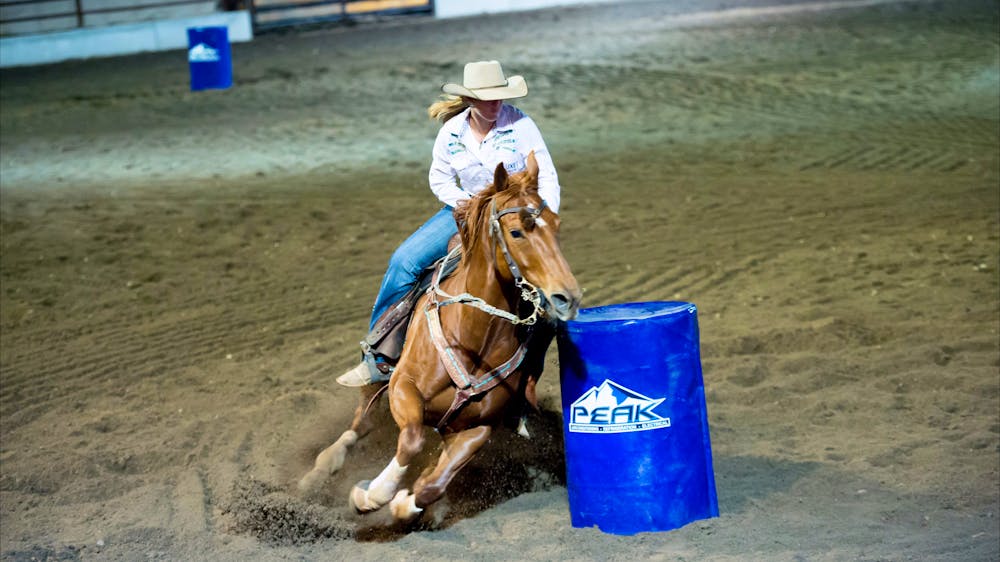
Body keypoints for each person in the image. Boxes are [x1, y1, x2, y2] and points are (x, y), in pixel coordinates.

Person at [336, 60, 562, 387]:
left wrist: (541, 219)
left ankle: (526, 379)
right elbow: (439, 179)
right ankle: (378, 356)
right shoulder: (452, 132)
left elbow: (548, 174)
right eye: (487, 99)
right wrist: (464, 203)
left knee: (549, 299)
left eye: (499, 97)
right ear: (470, 100)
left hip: (516, 216)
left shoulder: (521, 124)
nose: (495, 104)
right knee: (404, 262)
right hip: (464, 212)